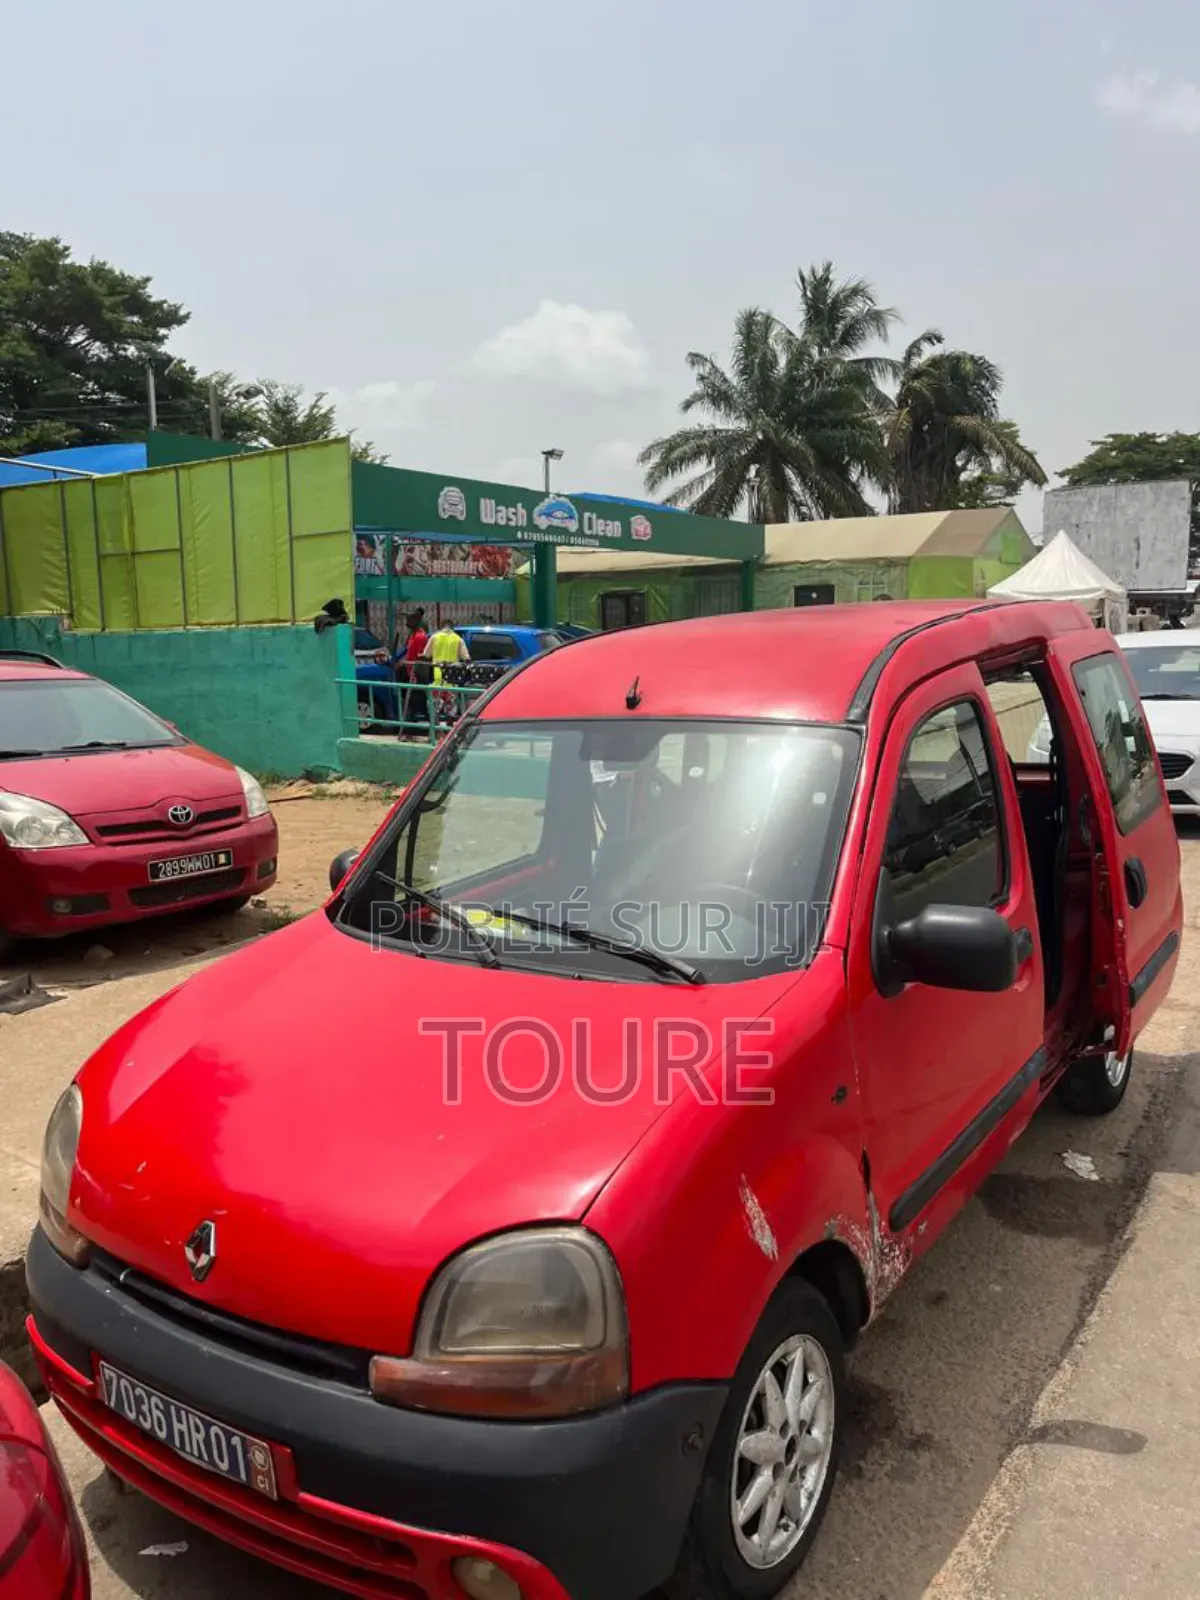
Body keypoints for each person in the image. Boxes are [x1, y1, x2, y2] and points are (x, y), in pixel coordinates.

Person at [423, 618, 471, 728]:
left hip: (437, 678)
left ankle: (435, 731)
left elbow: (426, 654)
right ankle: (449, 730)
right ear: (452, 627)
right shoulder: (458, 639)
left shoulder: (435, 637)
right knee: (451, 708)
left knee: (434, 707)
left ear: (441, 626)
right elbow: (466, 658)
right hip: (452, 679)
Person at [398, 609, 431, 742]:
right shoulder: (413, 636)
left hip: (417, 675)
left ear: (417, 621)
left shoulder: (420, 637)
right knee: (421, 705)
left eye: (409, 620)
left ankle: (407, 732)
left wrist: (413, 671)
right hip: (412, 674)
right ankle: (436, 730)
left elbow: (421, 658)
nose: (407, 623)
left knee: (412, 704)